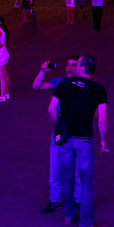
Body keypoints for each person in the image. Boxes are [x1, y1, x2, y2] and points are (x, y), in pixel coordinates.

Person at [48, 55, 108, 227]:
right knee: (86, 181)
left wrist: (59, 125)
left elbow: (51, 109)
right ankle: (86, 222)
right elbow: (102, 118)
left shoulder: (65, 84)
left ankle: (68, 215)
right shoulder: (98, 90)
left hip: (66, 139)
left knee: (67, 177)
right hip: (84, 139)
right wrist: (103, 140)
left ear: (82, 68)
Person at [33, 57, 82, 214]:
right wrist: (42, 71)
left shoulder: (84, 85)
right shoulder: (59, 82)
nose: (69, 67)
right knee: (55, 167)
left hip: (76, 132)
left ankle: (79, 200)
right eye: (67, 64)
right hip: (60, 132)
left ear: (80, 68)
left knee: (77, 170)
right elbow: (37, 86)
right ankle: (55, 199)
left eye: (73, 65)